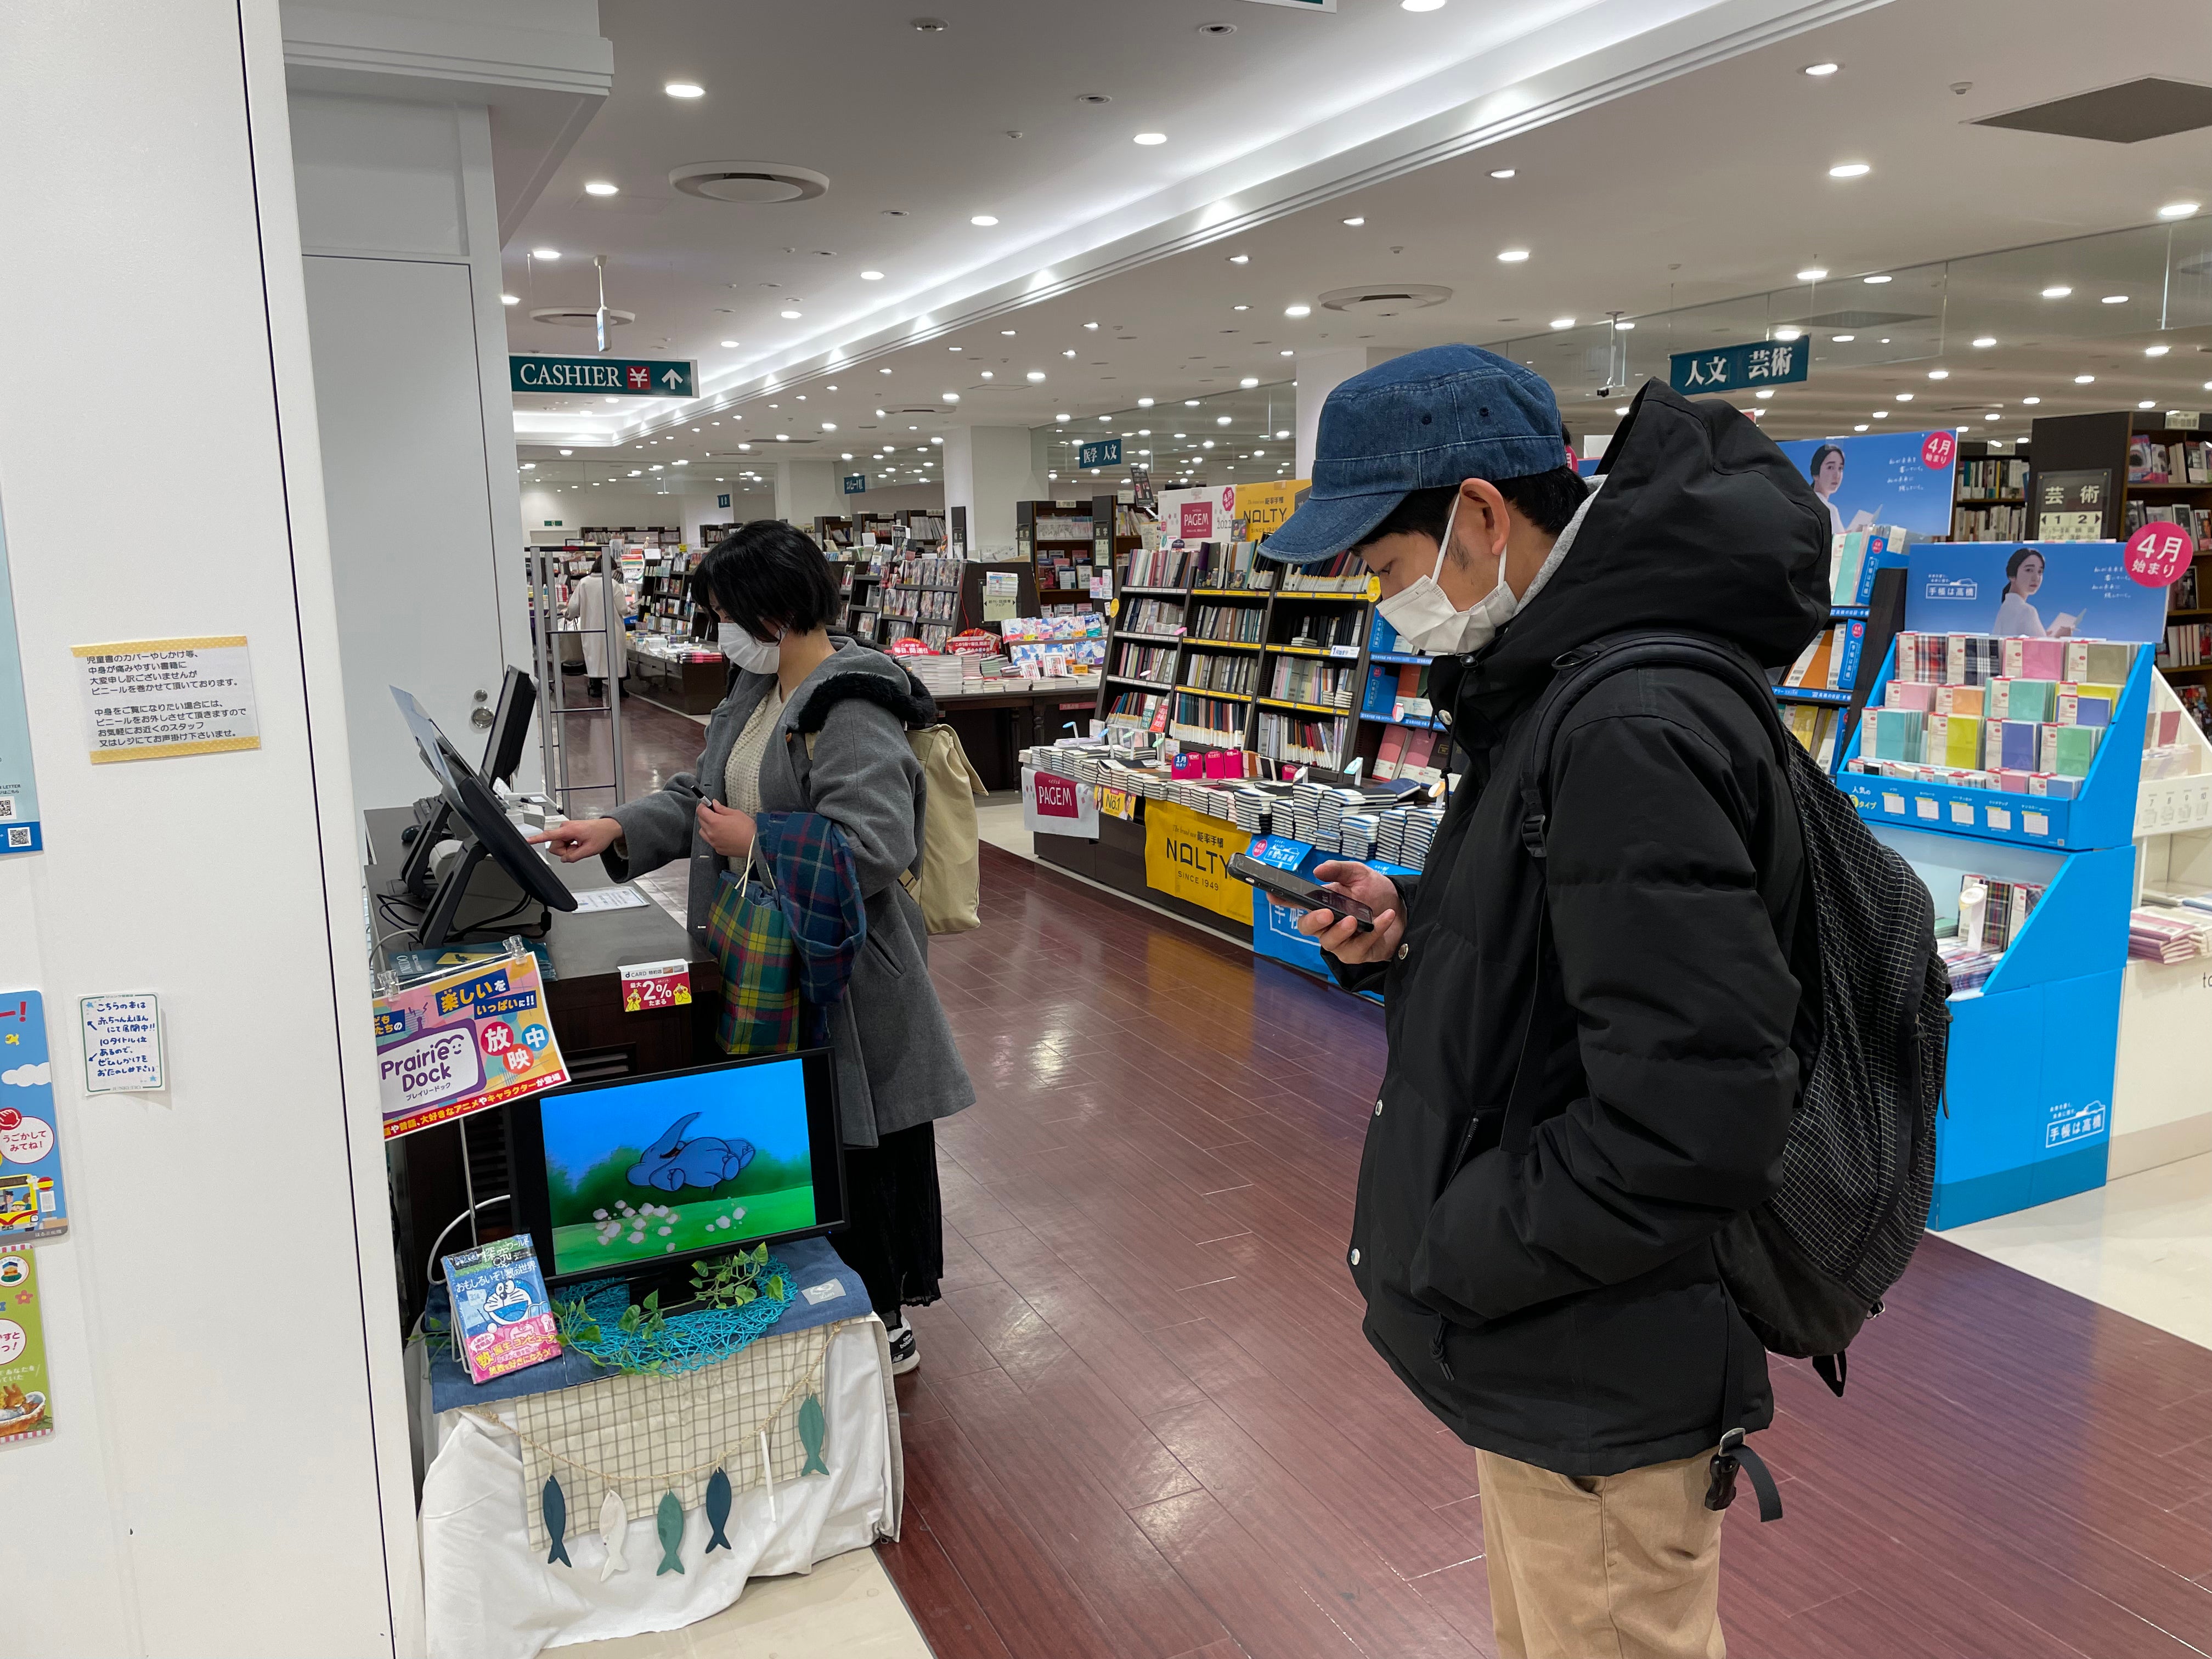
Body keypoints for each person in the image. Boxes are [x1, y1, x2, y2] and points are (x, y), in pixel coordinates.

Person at [1268, 346, 1827, 1659]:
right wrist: (1412, 945)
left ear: (1477, 514)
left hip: (1597, 1355)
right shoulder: (1559, 692)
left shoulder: (1624, 720)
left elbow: (1696, 1117)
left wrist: (1464, 1241)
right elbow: (1584, 987)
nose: (1381, 603)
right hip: (1558, 1342)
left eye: (1383, 566)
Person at [532, 522, 974, 1374]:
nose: (718, 632)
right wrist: (616, 826)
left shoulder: (850, 704)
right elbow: (704, 795)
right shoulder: (753, 691)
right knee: (797, 1125)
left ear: (773, 615)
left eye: (727, 614)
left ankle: (882, 1315)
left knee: (858, 1138)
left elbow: (877, 843)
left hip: (844, 971)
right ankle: (819, 1291)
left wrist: (758, 841)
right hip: (771, 953)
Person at [564, 562, 629, 699]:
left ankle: (595, 688)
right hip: (613, 628)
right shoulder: (612, 584)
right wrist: (631, 610)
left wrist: (568, 615)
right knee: (615, 658)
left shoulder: (584, 583)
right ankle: (618, 689)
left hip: (591, 628)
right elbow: (623, 608)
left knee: (594, 658)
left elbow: (573, 606)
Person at [1993, 546, 2076, 637]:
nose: (2036, 578)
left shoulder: (2006, 607)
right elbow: (2040, 650)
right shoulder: (2027, 611)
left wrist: (2045, 637)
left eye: (2040, 572)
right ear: (2012, 575)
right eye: (2029, 570)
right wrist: (2060, 637)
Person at [1805, 442, 1873, 538]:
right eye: (1830, 467)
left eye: (1840, 468)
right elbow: (1839, 546)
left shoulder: (1808, 502)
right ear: (1816, 474)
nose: (1836, 475)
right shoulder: (1828, 509)